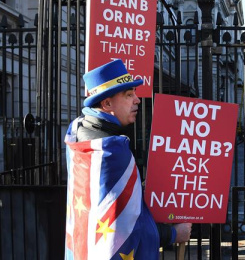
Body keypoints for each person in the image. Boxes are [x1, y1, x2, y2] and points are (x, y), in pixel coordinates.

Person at [64, 60, 192, 259]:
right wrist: (174, 233)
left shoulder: (77, 128)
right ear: (106, 103)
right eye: (129, 95)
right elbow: (129, 227)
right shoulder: (111, 151)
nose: (137, 100)